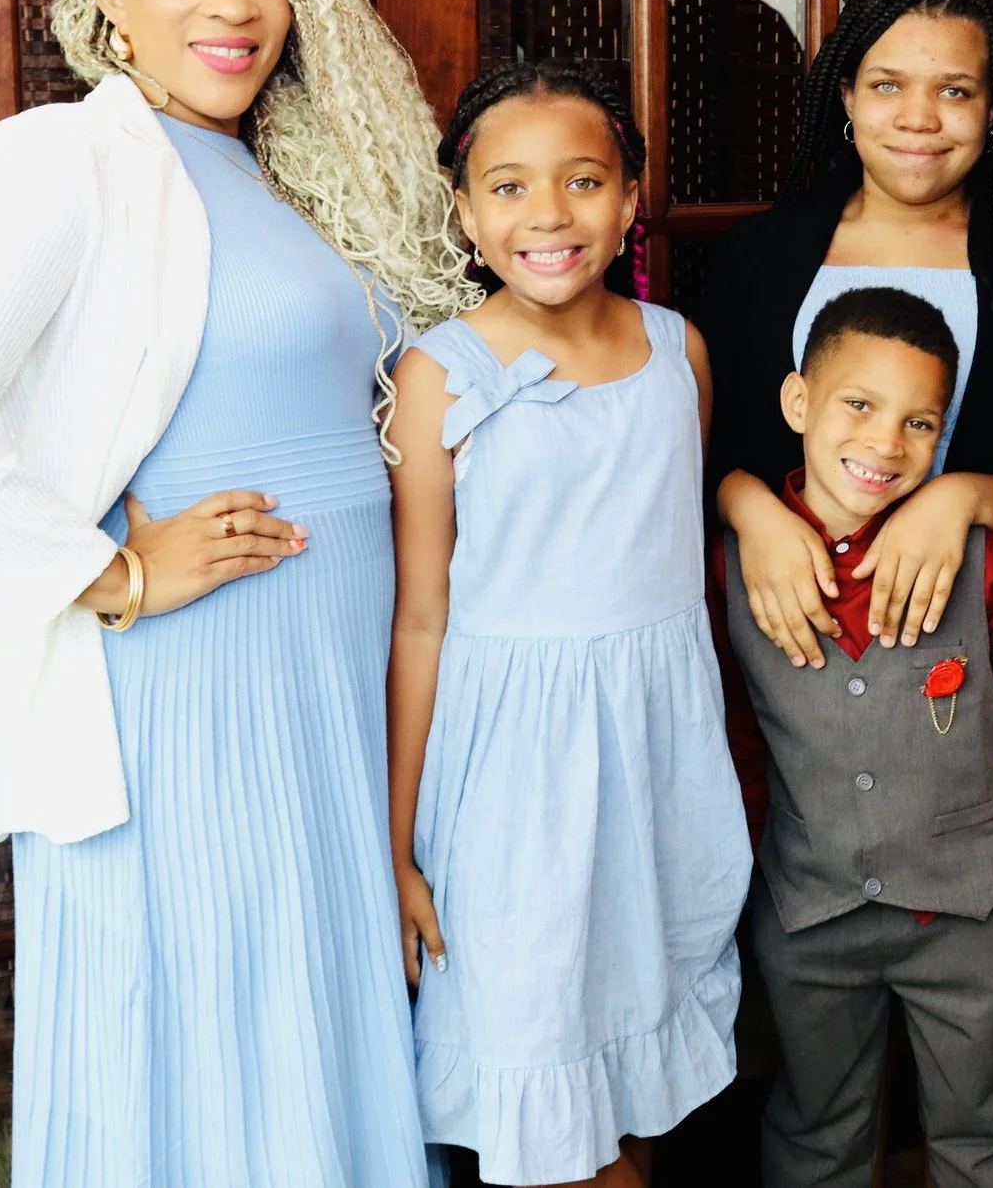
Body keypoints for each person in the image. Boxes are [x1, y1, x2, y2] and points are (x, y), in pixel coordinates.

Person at [0, 0, 474, 1187]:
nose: (233, 2)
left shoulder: (283, 168)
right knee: (206, 1038)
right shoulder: (71, 158)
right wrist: (105, 572)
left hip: (324, 683)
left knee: (305, 1019)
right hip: (191, 690)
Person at [386, 64, 752, 1187]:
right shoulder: (437, 374)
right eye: (507, 185)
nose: (546, 213)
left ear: (630, 196)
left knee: (627, 1061)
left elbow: (676, 568)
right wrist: (396, 842)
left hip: (654, 757)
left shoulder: (677, 348)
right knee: (538, 1064)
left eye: (582, 179)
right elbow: (420, 618)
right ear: (463, 209)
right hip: (511, 778)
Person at [712, 287, 993, 1188]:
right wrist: (751, 885)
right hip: (809, 917)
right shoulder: (734, 571)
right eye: (860, 406)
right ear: (800, 403)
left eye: (920, 422)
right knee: (817, 1126)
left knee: (979, 1125)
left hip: (969, 916)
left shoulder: (980, 564)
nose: (885, 444)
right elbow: (736, 742)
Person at [703, 0, 993, 663]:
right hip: (787, 635)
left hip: (973, 640)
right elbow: (708, 447)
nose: (918, 118)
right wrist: (750, 511)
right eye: (887, 85)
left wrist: (967, 496)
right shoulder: (761, 255)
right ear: (847, 93)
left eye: (955, 91)